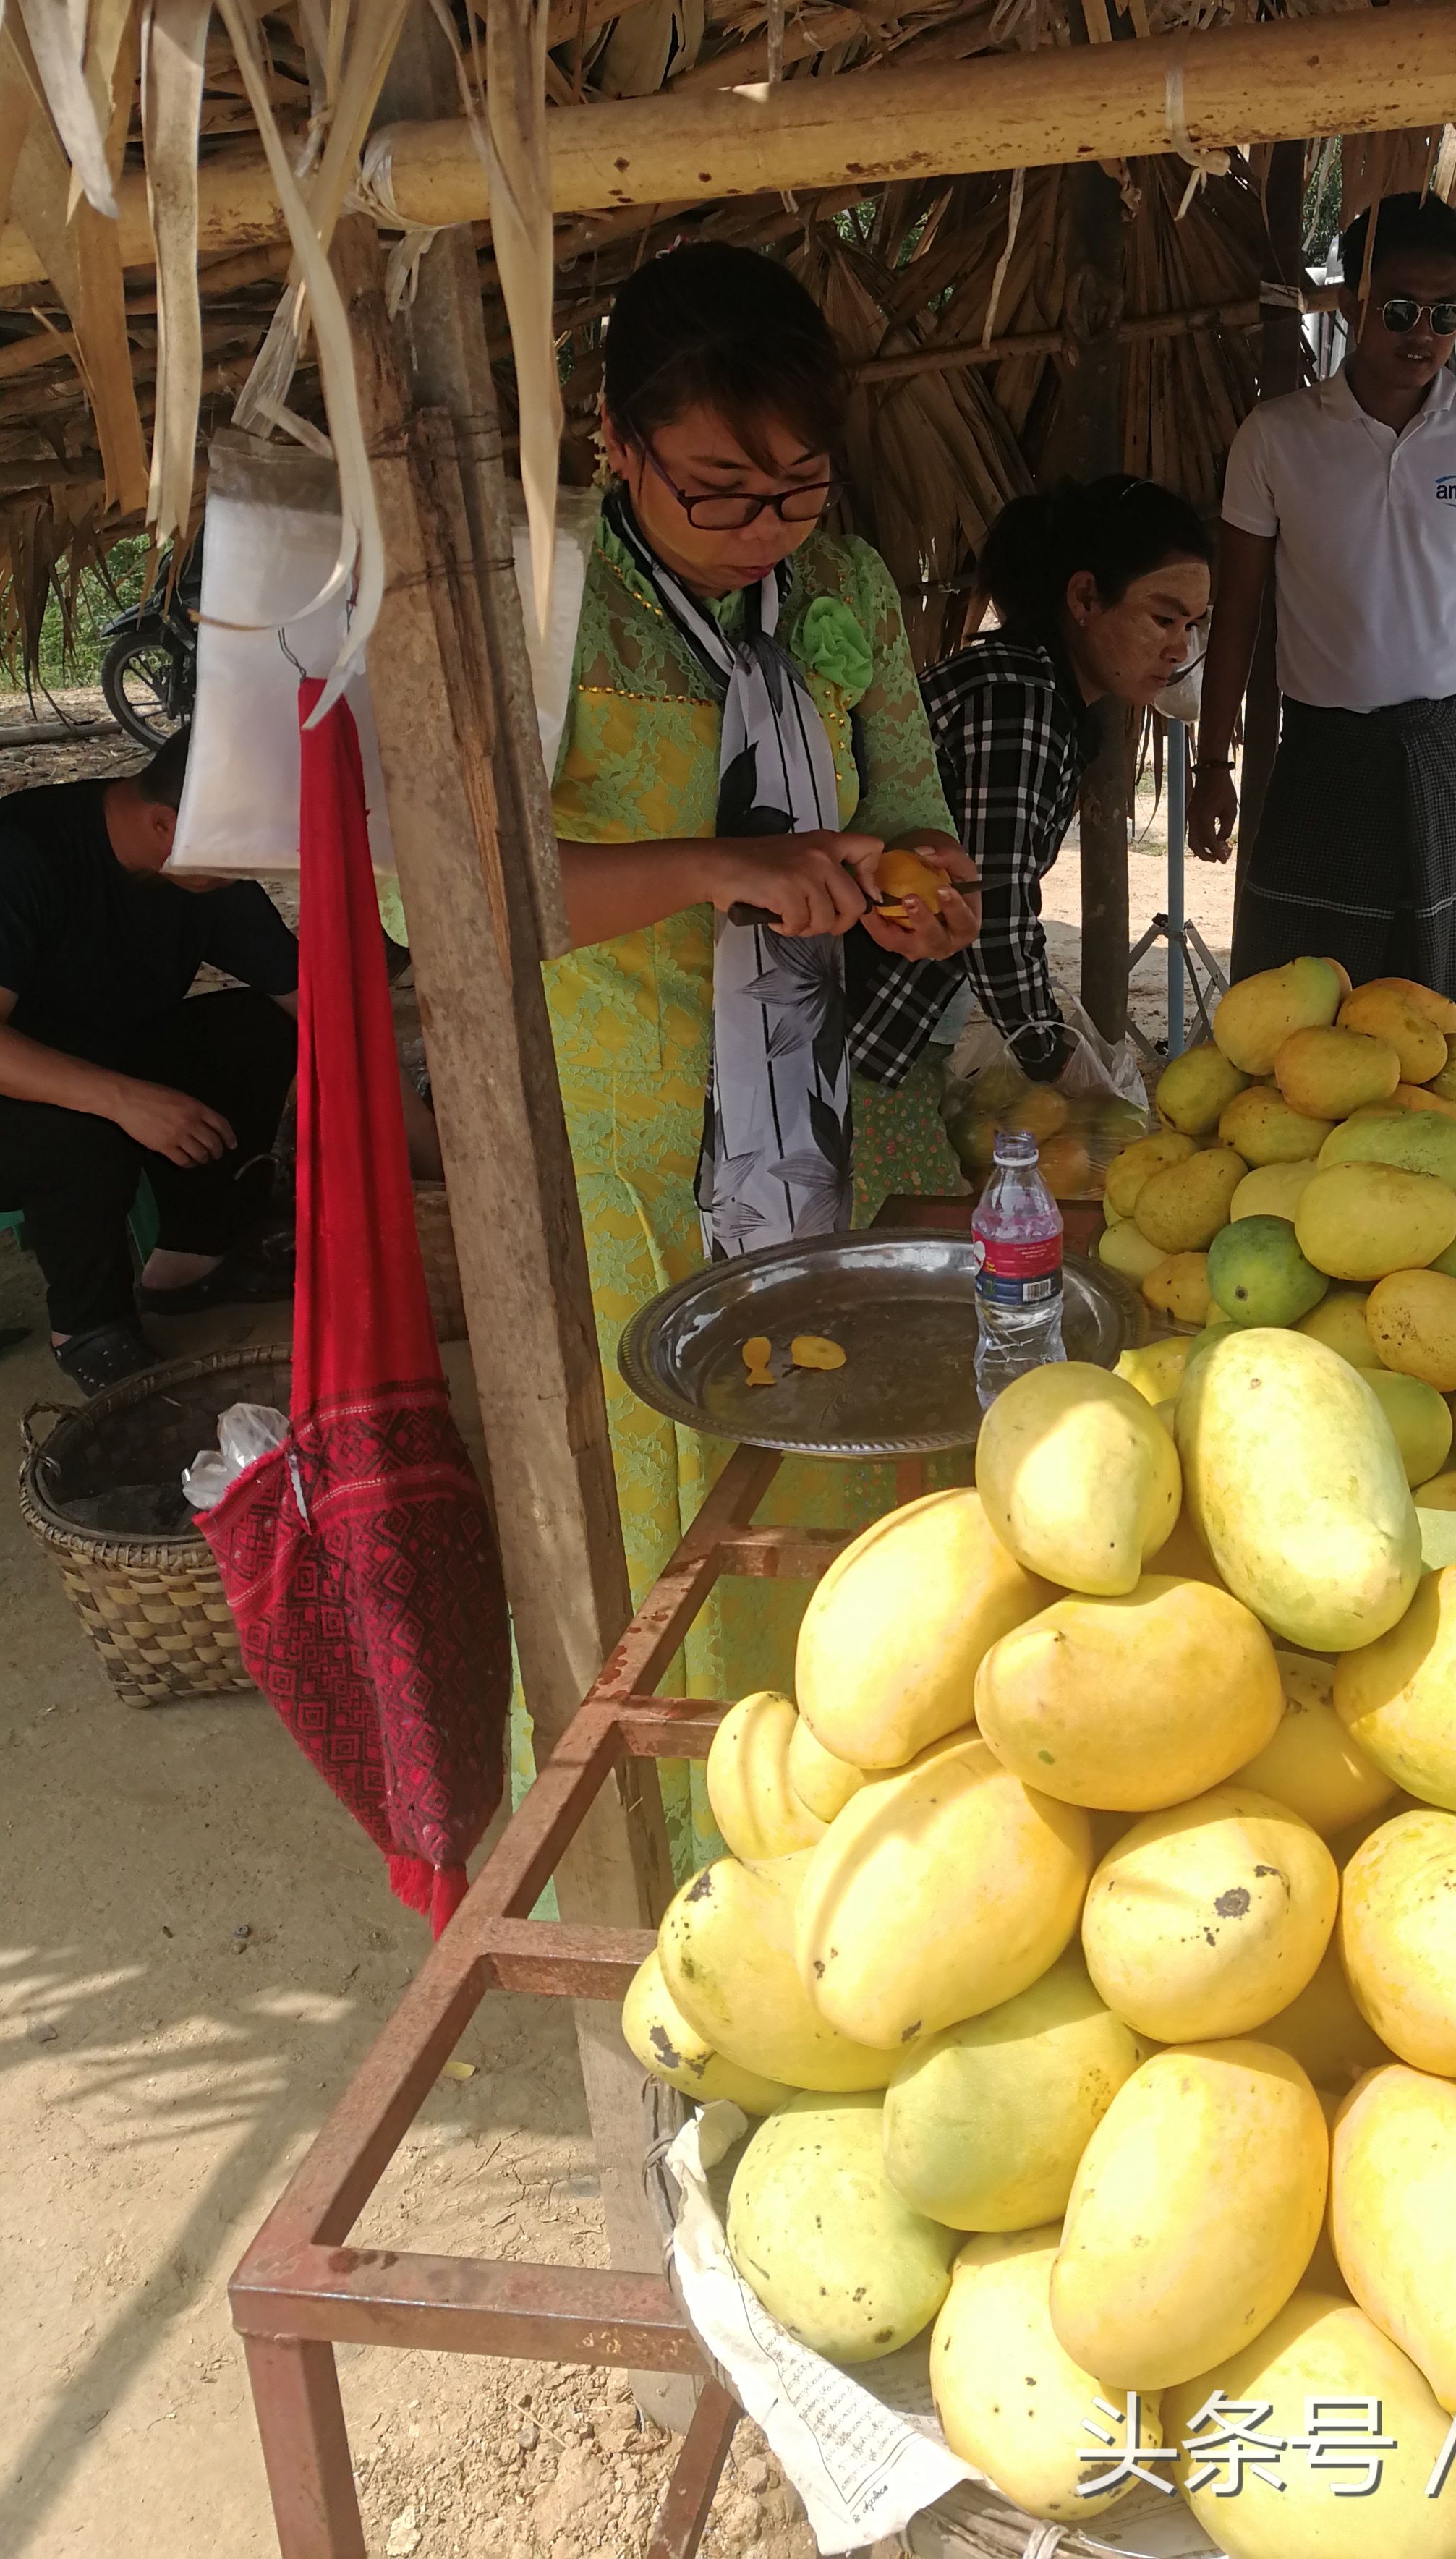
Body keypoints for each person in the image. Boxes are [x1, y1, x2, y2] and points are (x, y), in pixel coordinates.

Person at [544, 239, 979, 1865]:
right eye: (715, 490)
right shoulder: (555, 605)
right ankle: (666, 1840)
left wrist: (913, 896)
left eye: (794, 489)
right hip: (626, 1130)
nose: (760, 531)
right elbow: (435, 889)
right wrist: (715, 868)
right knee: (650, 1495)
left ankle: (844, 1822)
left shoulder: (849, 592)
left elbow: (909, 805)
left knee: (826, 1462)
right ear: (616, 437)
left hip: (829, 1105)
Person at [1191, 189, 1456, 1022]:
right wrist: (1214, 765)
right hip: (1325, 748)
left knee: (1427, 987)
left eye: (1443, 313)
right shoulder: (1277, 436)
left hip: (1450, 740)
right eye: (1397, 308)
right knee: (1300, 986)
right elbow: (1239, 609)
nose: (1420, 332)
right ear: (1354, 302)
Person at [850, 474, 1213, 1097]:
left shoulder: (1029, 687)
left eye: (1193, 625)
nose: (1179, 648)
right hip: (849, 1026)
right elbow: (998, 910)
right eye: (1163, 618)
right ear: (1085, 597)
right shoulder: (1019, 700)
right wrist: (1055, 1062)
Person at [0, 727, 299, 1392]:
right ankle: (89, 1331)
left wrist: (430, 1149)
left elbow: (314, 1005)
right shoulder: (17, 856)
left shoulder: (202, 869)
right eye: (240, 853)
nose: (249, 871)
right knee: (84, 1127)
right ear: (164, 824)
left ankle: (191, 1262)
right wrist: (123, 1098)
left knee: (256, 1028)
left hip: (96, 1058)